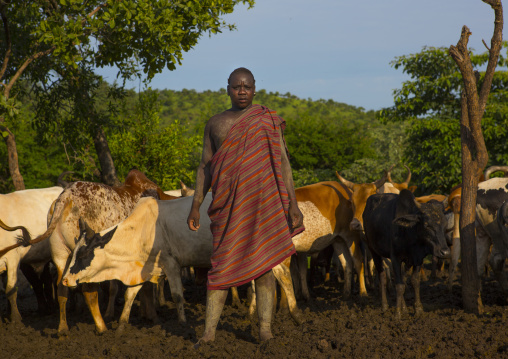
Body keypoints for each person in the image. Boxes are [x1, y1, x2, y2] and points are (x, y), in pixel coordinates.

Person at [187, 67, 304, 345]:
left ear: (254, 89)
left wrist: (293, 204)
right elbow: (205, 166)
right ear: (227, 88)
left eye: (247, 87)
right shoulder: (215, 124)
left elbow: (284, 163)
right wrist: (195, 204)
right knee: (221, 268)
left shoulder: (267, 120)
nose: (242, 91)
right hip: (227, 208)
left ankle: (265, 330)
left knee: (263, 267)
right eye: (237, 87)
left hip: (263, 206)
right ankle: (208, 334)